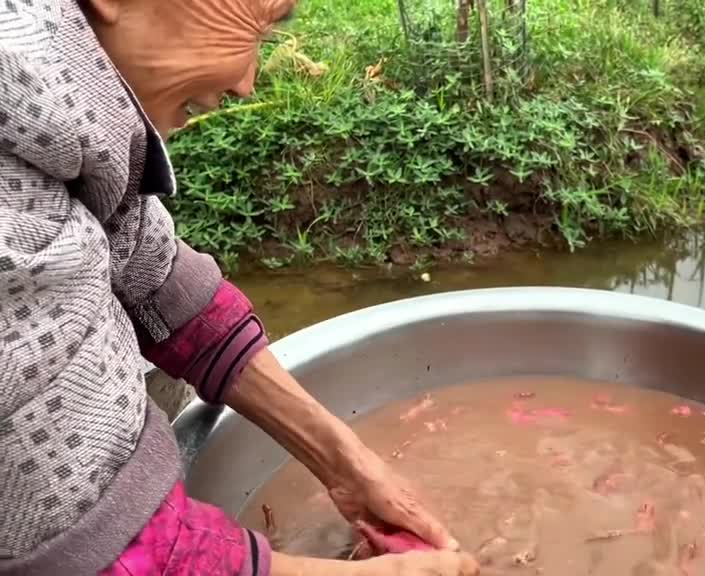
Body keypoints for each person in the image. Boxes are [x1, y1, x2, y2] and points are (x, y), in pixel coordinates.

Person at [0, 0, 479, 574]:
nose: (248, 84)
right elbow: (88, 541)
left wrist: (348, 465)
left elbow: (152, 276)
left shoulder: (64, 112)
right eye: (256, 16)